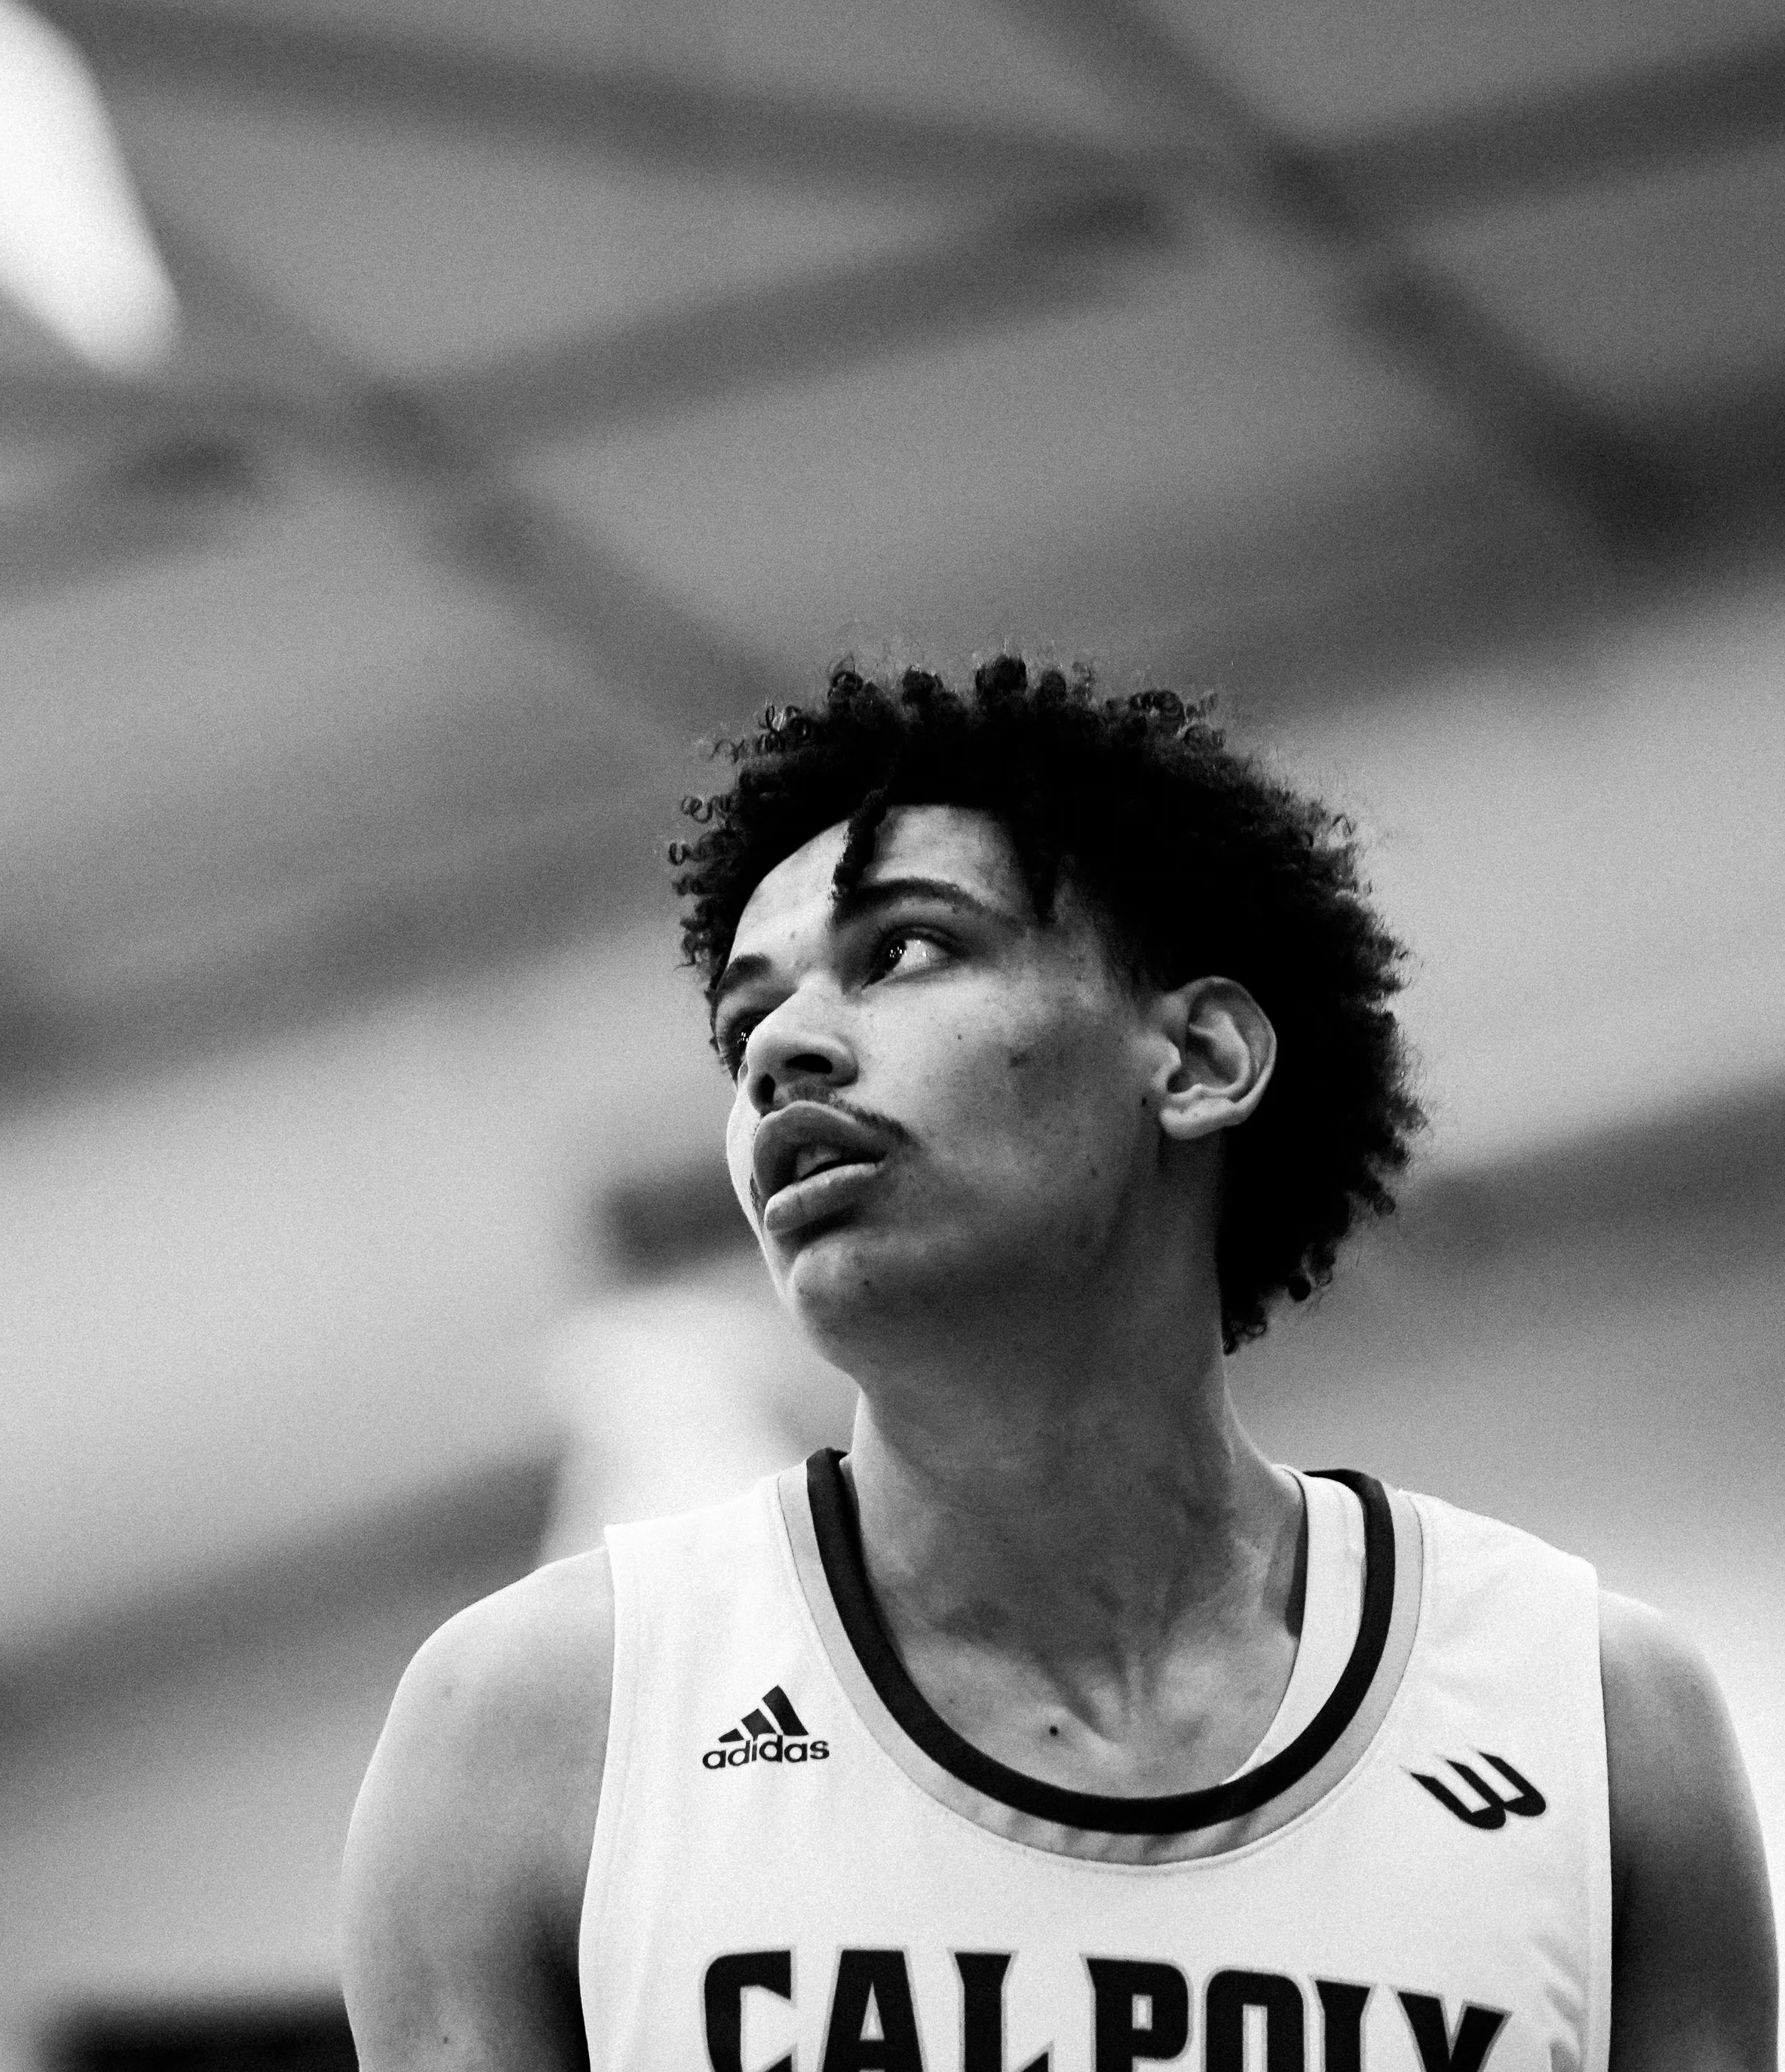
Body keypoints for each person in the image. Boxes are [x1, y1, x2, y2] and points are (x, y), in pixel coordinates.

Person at [342, 657, 1777, 2072]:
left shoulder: (1594, 1717)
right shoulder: (535, 1723)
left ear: (1200, 1058)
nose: (782, 1048)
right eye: (742, 1025)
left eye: (902, 948)